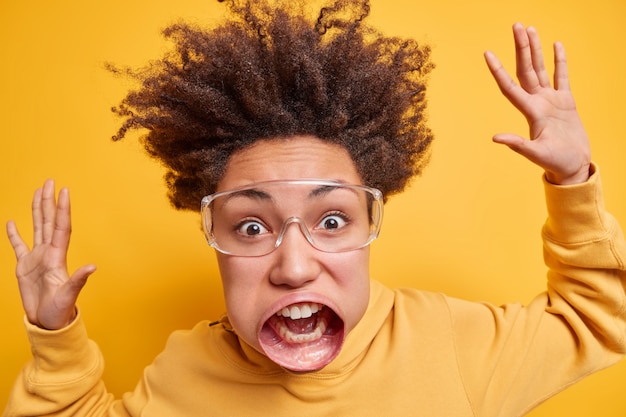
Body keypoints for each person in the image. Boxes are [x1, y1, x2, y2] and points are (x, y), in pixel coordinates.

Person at [4, 0, 626, 415]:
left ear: (369, 225)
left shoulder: (457, 345)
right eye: (250, 226)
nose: (295, 268)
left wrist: (572, 181)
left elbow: (601, 321)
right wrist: (56, 340)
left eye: (332, 221)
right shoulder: (182, 374)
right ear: (211, 236)